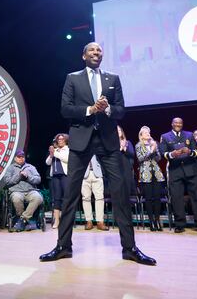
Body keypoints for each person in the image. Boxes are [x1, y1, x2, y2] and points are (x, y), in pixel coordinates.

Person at [39, 42, 156, 266]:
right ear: (84, 56)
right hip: (81, 140)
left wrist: (107, 109)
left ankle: (129, 248)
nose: (96, 52)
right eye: (92, 50)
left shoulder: (112, 78)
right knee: (71, 194)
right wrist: (90, 110)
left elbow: (121, 110)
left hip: (108, 141)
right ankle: (63, 247)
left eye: (99, 50)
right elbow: (65, 109)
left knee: (120, 192)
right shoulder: (72, 78)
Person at [159, 118, 197, 234]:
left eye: (180, 123)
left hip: (191, 170)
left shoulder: (189, 135)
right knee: (177, 198)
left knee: (196, 197)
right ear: (172, 124)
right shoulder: (165, 136)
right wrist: (172, 154)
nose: (178, 124)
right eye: (176, 123)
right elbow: (163, 153)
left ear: (182, 124)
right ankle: (180, 224)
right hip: (175, 171)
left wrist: (190, 152)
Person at [1, 150, 43, 232]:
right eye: (19, 157)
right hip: (17, 191)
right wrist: (19, 176)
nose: (21, 158)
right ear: (15, 158)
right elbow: (7, 181)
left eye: (22, 157)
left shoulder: (30, 167)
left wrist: (28, 177)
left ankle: (22, 220)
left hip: (30, 190)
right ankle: (25, 220)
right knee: (16, 198)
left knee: (38, 197)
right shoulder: (11, 168)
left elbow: (38, 179)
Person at [135, 126, 165, 231]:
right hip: (146, 174)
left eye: (149, 132)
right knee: (148, 198)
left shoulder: (154, 143)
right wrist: (151, 151)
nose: (148, 134)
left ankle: (157, 221)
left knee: (157, 198)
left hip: (156, 173)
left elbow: (159, 158)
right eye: (146, 133)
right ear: (141, 135)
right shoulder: (138, 145)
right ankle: (151, 221)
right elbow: (140, 158)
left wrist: (155, 149)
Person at [46, 133, 69, 229]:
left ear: (65, 140)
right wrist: (51, 155)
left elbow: (66, 159)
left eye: (61, 139)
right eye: (58, 139)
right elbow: (47, 163)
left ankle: (65, 220)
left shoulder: (67, 149)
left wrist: (55, 153)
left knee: (66, 198)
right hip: (55, 177)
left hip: (64, 176)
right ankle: (57, 220)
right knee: (57, 198)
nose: (60, 140)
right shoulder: (55, 151)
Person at [81, 155, 108, 230]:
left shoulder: (97, 145)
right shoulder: (82, 146)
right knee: (86, 198)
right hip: (84, 174)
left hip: (97, 173)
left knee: (100, 198)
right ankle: (89, 221)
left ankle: (100, 222)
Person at [118, 125, 137, 196]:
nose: (118, 132)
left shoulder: (127, 142)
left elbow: (132, 154)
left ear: (122, 132)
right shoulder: (111, 144)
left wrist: (125, 149)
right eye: (116, 130)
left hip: (127, 168)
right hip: (116, 168)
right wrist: (120, 149)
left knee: (127, 189)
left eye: (119, 130)